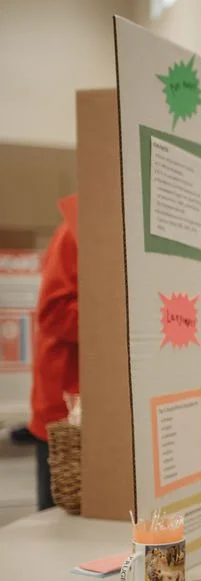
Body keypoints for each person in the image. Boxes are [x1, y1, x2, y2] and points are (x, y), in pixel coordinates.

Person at [28, 193, 80, 511]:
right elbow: (53, 314)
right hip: (64, 410)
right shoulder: (74, 233)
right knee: (59, 524)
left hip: (91, 408)